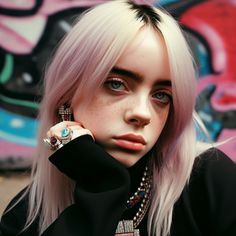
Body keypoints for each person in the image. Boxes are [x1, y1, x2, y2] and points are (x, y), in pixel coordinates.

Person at [1, 1, 236, 236]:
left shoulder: (211, 181)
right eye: (116, 84)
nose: (142, 114)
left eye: (161, 95)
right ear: (67, 94)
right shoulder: (25, 217)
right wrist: (103, 185)